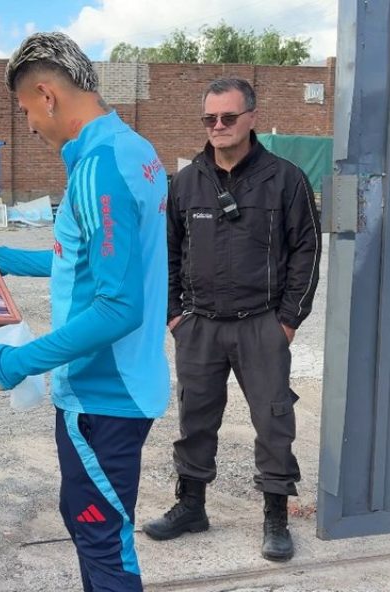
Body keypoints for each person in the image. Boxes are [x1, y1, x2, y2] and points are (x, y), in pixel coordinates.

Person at [0, 32, 170, 592]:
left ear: (47, 94)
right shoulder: (132, 148)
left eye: (26, 110)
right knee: (96, 529)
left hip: (102, 396)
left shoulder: (97, 168)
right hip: (121, 389)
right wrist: (7, 260)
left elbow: (118, 306)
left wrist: (19, 362)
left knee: (102, 541)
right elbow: (91, 256)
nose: (30, 125)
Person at [142, 77, 321, 562]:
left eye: (228, 117)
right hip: (199, 326)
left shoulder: (285, 179)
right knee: (194, 418)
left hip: (261, 324)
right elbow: (166, 251)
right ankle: (191, 506)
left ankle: (276, 517)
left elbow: (307, 248)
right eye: (209, 119)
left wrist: (288, 320)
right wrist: (174, 314)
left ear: (251, 119)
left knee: (273, 420)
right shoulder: (185, 182)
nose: (218, 127)